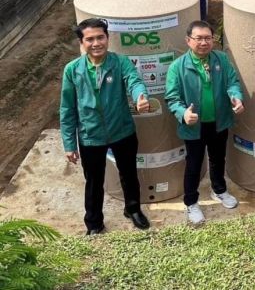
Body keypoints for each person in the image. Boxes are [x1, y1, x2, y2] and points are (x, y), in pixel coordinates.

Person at [60, 18, 151, 235]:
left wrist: (140, 96)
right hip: (90, 135)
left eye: (100, 37)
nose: (96, 43)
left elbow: (134, 81)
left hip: (122, 130)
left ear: (107, 38)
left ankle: (133, 209)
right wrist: (69, 144)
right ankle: (94, 223)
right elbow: (67, 109)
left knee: (129, 174)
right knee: (93, 181)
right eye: (90, 39)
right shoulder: (72, 70)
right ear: (82, 43)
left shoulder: (120, 63)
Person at [165, 20, 244, 225]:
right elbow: (172, 98)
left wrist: (236, 97)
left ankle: (219, 190)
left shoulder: (221, 59)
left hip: (218, 122)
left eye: (208, 38)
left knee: (218, 158)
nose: (204, 42)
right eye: (198, 38)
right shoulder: (177, 67)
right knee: (194, 163)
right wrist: (183, 113)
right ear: (188, 40)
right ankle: (191, 202)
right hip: (193, 125)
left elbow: (233, 83)